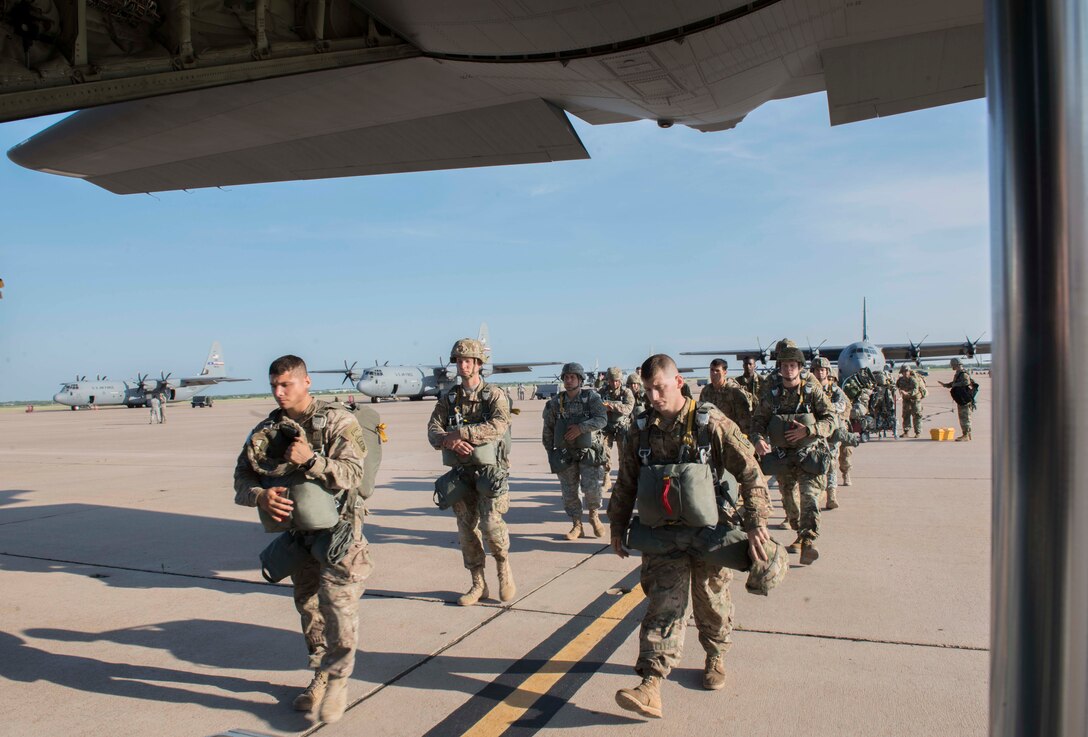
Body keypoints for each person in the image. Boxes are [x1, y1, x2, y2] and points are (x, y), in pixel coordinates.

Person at [608, 355, 770, 718]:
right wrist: (617, 524)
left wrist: (756, 522)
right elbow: (627, 481)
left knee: (712, 600)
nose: (653, 396)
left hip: (709, 532)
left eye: (659, 388)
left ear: (678, 381)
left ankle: (715, 656)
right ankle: (651, 682)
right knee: (663, 603)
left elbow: (750, 471)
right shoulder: (640, 429)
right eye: (647, 389)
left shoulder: (710, 423)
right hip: (663, 535)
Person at [233, 355, 371, 723]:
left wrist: (313, 461)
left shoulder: (338, 420)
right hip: (300, 535)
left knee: (339, 608)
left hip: (341, 533)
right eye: (274, 385)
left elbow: (354, 473)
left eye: (286, 385)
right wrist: (260, 497)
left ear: (306, 382)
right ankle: (321, 674)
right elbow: (241, 479)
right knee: (309, 608)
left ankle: (340, 677)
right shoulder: (267, 431)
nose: (279, 393)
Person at [427, 339, 516, 605]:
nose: (462, 365)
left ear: (478, 364)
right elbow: (433, 430)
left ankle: (503, 567)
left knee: (490, 524)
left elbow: (500, 424)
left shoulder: (494, 395)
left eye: (467, 360)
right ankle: (478, 583)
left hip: (490, 472)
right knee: (466, 532)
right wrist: (448, 440)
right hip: (463, 474)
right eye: (458, 360)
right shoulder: (449, 398)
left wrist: (463, 433)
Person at [751, 343, 835, 564]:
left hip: (809, 454)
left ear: (799, 367)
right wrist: (758, 439)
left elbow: (831, 419)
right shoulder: (773, 395)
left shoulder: (811, 391)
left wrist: (809, 430)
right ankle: (800, 531)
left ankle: (808, 542)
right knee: (790, 503)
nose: (788, 370)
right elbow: (758, 421)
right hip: (783, 457)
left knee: (809, 497)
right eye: (785, 365)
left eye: (792, 365)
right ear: (779, 368)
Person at [543, 362, 609, 539]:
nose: (568, 380)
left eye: (572, 377)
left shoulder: (591, 398)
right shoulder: (555, 403)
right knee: (569, 492)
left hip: (589, 451)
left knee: (592, 488)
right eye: (566, 377)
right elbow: (548, 429)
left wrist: (581, 428)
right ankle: (576, 524)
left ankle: (594, 516)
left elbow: (602, 419)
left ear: (580, 379)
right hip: (566, 454)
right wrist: (550, 453)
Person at [811, 357, 848, 510]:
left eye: (822, 370)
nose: (820, 373)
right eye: (817, 370)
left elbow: (842, 405)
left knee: (831, 463)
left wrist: (825, 407)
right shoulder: (810, 389)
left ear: (827, 371)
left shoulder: (835, 390)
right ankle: (817, 494)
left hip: (832, 432)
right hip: (815, 433)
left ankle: (831, 495)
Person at [599, 367, 635, 493]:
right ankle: (606, 478)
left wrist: (612, 407)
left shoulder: (626, 392)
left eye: (616, 381)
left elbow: (628, 408)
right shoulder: (602, 391)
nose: (614, 383)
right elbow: (596, 405)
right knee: (604, 452)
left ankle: (622, 480)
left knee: (624, 455)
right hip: (607, 426)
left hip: (622, 426)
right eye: (611, 380)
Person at [698, 358, 752, 435]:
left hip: (732, 435)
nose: (714, 373)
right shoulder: (706, 391)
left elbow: (745, 420)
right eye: (712, 370)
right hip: (713, 435)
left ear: (725, 372)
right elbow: (702, 416)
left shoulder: (734, 391)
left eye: (717, 371)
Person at [940, 358, 977, 441]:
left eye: (953, 365)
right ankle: (966, 434)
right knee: (963, 417)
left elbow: (966, 382)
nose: (952, 367)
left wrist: (955, 385)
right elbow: (955, 383)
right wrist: (946, 385)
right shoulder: (958, 373)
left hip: (964, 398)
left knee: (965, 417)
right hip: (961, 398)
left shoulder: (963, 373)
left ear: (956, 365)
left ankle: (966, 435)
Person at [896, 365, 925, 438]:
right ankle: (906, 432)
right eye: (904, 371)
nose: (905, 373)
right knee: (905, 415)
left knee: (917, 415)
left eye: (907, 371)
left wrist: (907, 393)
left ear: (909, 372)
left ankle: (918, 432)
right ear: (901, 372)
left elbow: (916, 390)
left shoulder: (913, 380)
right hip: (906, 400)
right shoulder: (900, 380)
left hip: (915, 399)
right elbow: (897, 386)